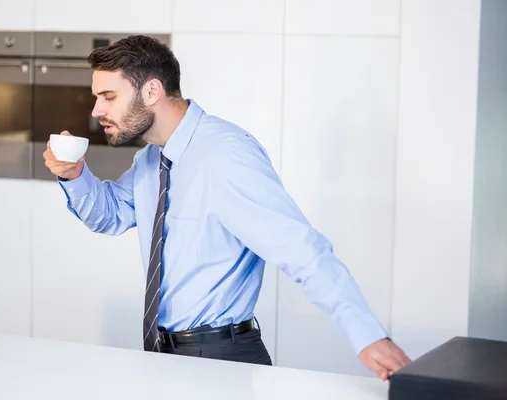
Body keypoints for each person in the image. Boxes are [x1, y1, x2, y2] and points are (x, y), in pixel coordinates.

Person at [43, 35, 411, 380]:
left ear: (151, 90)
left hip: (220, 358)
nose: (96, 110)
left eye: (108, 96)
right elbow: (111, 215)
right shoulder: (151, 160)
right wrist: (75, 175)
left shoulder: (226, 155)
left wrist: (367, 334)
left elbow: (301, 249)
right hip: (163, 353)